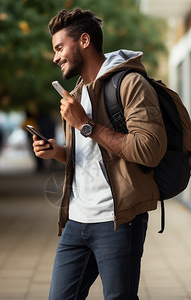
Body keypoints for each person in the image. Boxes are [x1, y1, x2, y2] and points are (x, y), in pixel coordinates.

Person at [32, 8, 167, 300]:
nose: (55, 57)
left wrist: (84, 124)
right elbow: (94, 154)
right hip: (77, 221)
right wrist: (57, 152)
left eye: (58, 47)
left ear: (83, 41)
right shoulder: (78, 93)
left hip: (117, 221)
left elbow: (149, 150)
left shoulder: (130, 84)